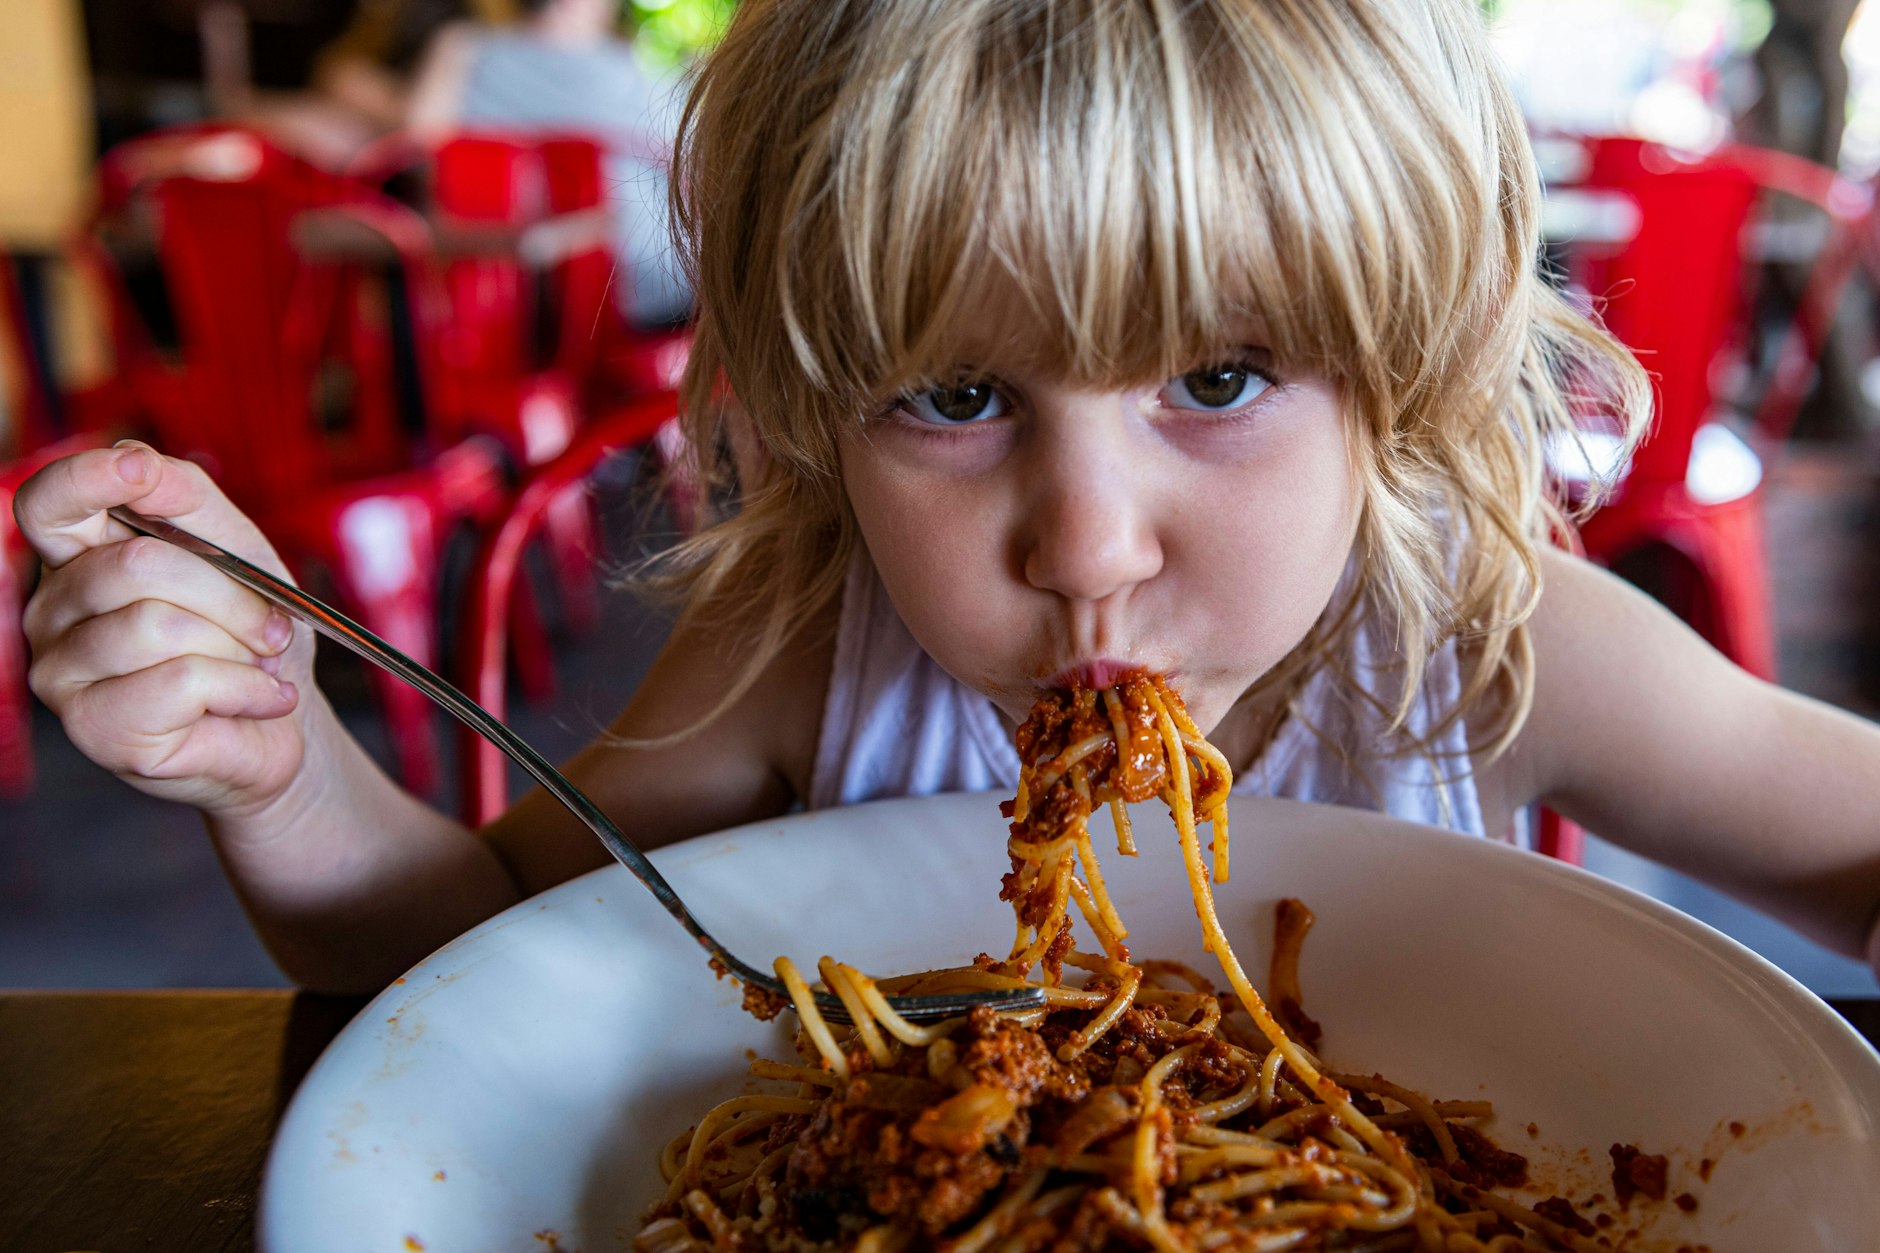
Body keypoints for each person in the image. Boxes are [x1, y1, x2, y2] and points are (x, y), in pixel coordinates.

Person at [16, 0, 1880, 996]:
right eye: (957, 397)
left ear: (1395, 378)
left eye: (1216, 382)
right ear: (819, 413)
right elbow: (474, 955)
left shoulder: (1482, 647)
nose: (1088, 546)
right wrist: (282, 769)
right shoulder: (805, 651)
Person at [405, 0, 693, 327]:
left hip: (536, 289)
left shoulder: (466, 48)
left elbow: (415, 149)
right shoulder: (468, 48)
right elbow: (416, 151)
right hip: (621, 286)